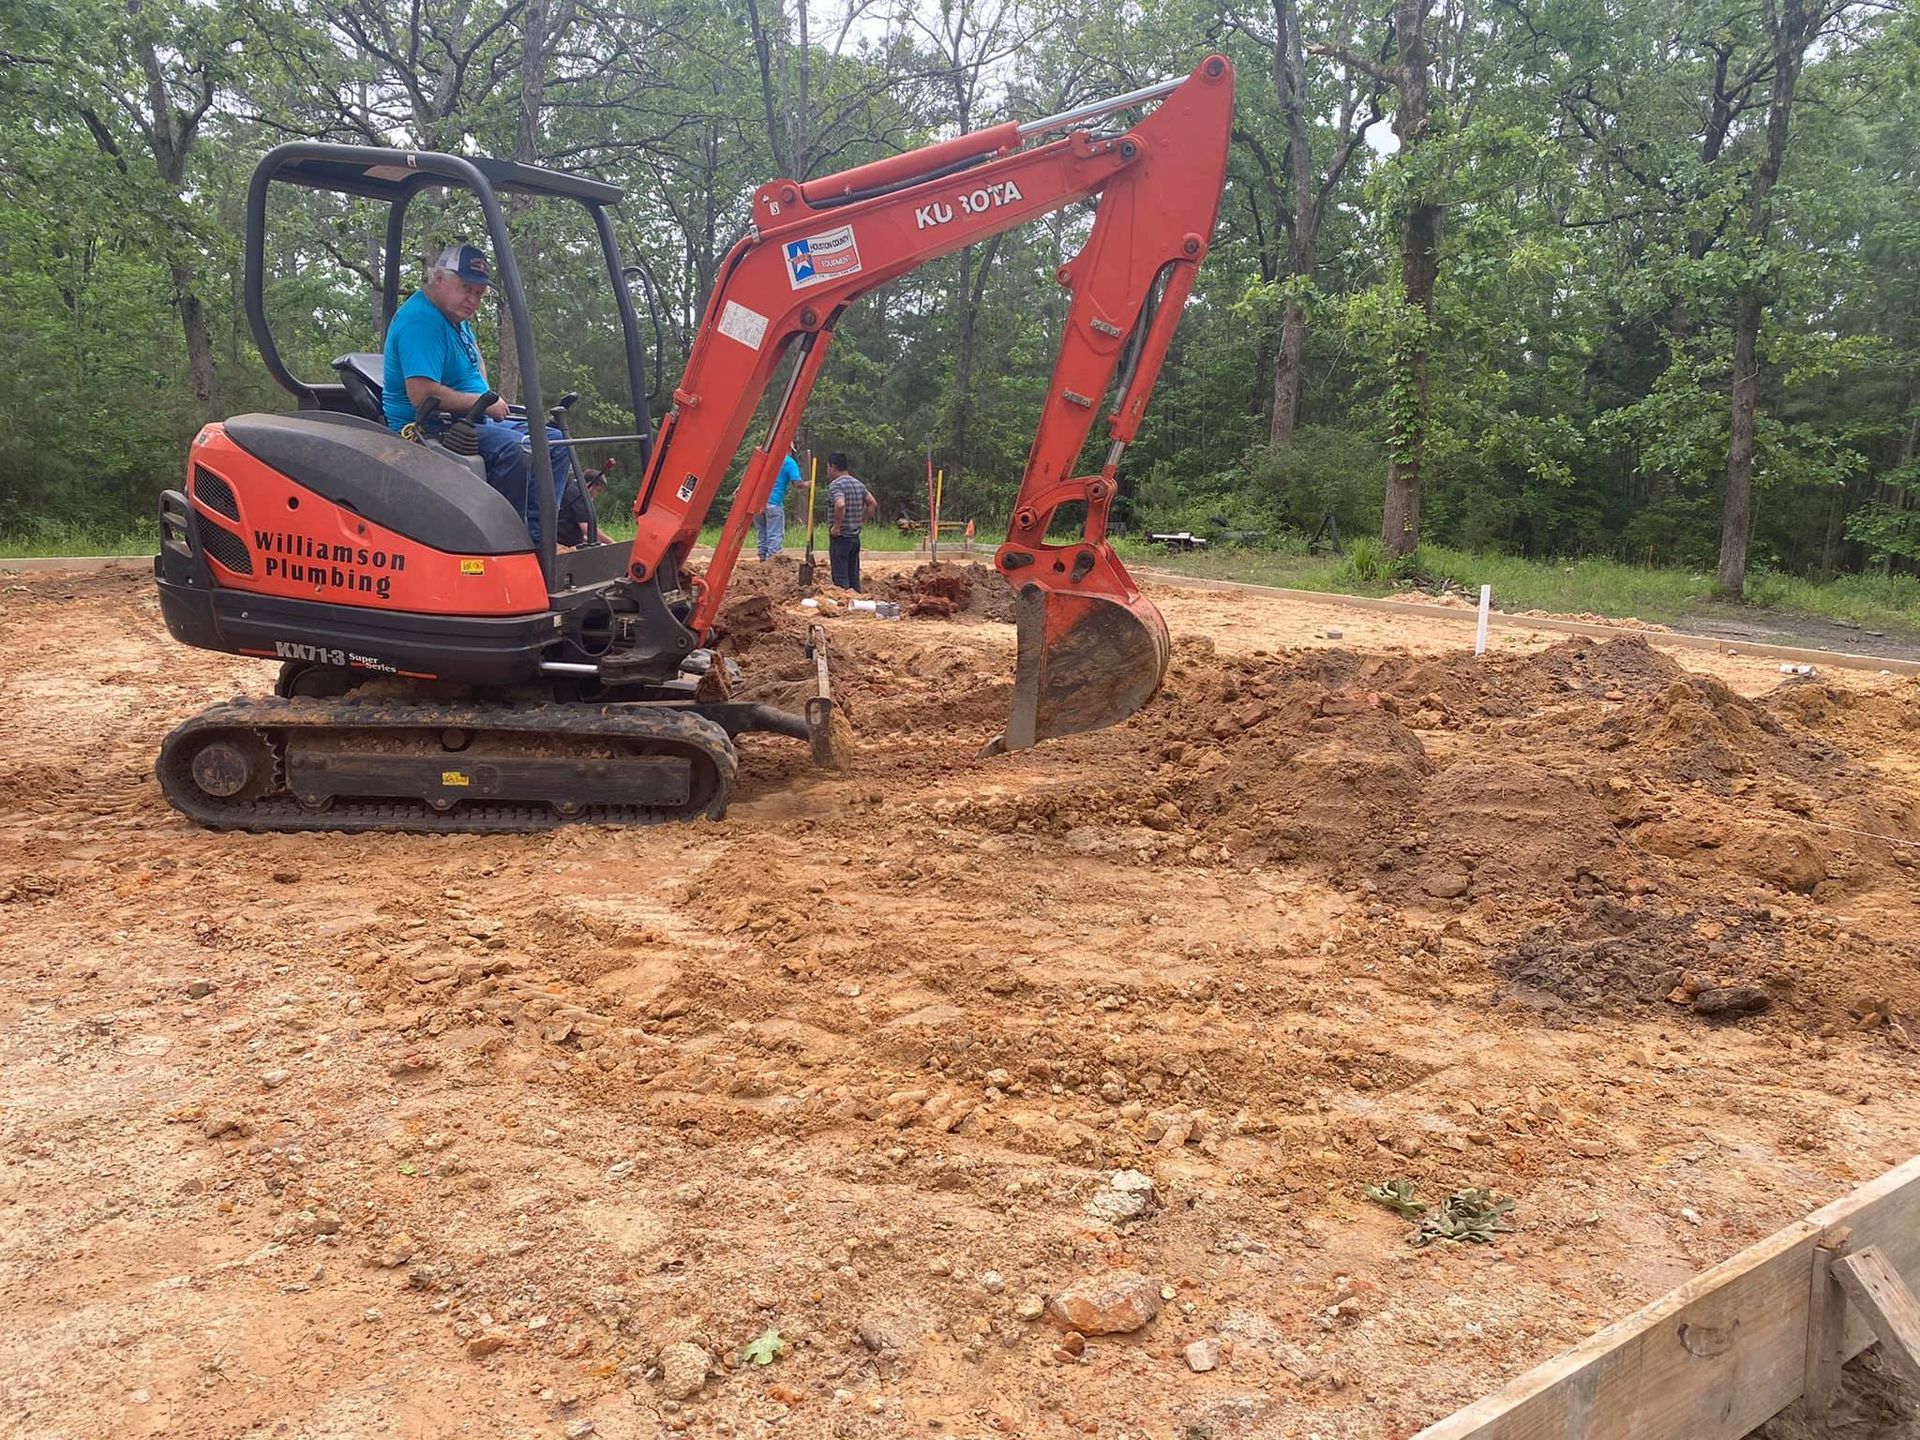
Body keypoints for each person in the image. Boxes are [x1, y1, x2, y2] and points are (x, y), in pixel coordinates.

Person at [381, 243, 570, 543]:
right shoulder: (421, 321)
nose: (473, 300)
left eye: (479, 294)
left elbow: (474, 360)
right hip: (428, 428)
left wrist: (482, 395)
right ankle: (506, 540)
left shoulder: (454, 316)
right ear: (439, 278)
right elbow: (422, 394)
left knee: (557, 442)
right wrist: (480, 403)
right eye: (467, 288)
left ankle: (540, 538)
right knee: (519, 449)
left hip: (469, 419)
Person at [825, 451, 877, 591]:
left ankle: (845, 606)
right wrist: (861, 521)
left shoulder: (836, 485)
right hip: (854, 537)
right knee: (853, 575)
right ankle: (857, 605)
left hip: (841, 538)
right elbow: (872, 503)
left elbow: (840, 504)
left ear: (833, 466)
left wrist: (837, 526)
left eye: (828, 468)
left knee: (841, 578)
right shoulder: (858, 484)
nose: (828, 471)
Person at [758, 445, 801, 562]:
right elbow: (797, 483)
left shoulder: (765, 458)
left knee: (762, 533)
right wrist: (809, 484)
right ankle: (772, 563)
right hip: (774, 503)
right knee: (775, 535)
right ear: (788, 449)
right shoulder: (789, 462)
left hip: (758, 504)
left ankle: (762, 560)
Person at [557, 467, 608, 548]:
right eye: (598, 490)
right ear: (590, 485)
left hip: (569, 539)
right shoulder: (578, 494)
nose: (597, 494)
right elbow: (588, 529)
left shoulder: (574, 489)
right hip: (564, 543)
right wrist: (612, 542)